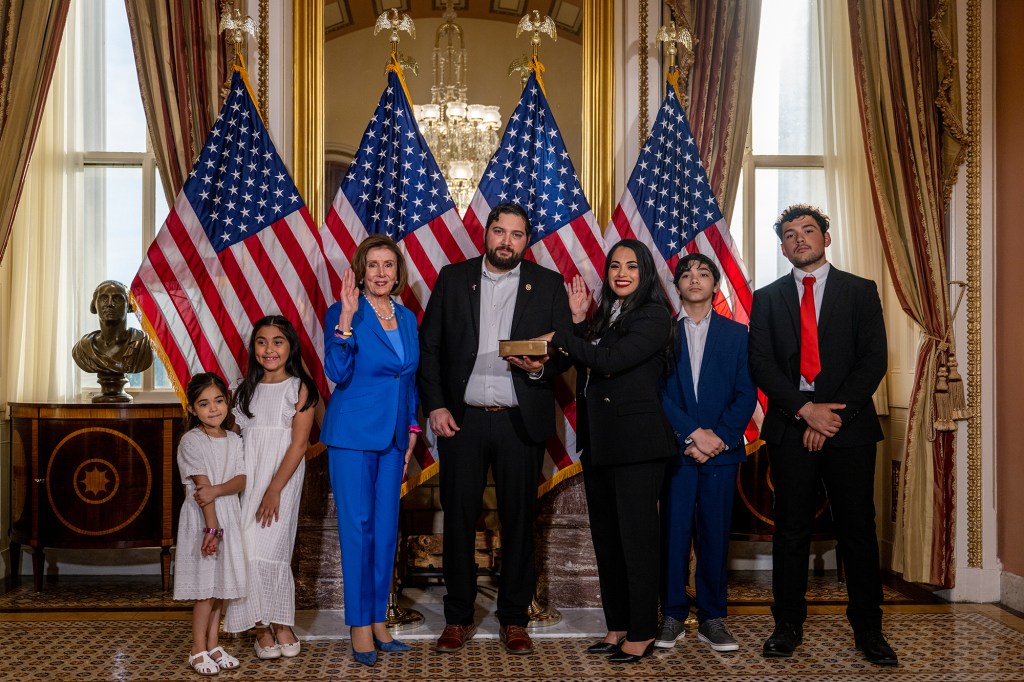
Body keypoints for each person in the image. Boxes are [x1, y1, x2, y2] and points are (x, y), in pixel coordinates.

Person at [418, 202, 572, 655]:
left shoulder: (547, 284)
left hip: (519, 422)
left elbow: (563, 350)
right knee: (460, 521)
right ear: (486, 234)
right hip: (460, 422)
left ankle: (513, 619)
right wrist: (436, 406)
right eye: (499, 232)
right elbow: (430, 349)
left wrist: (540, 368)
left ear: (527, 240)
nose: (507, 241)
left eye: (517, 234)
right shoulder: (452, 278)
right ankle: (458, 617)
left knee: (519, 521)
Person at [748, 204, 895, 666]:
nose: (799, 239)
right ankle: (787, 625)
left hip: (849, 430)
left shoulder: (861, 291)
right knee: (790, 531)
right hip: (792, 428)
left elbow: (872, 360)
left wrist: (832, 418)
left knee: (858, 531)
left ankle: (869, 630)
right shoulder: (767, 298)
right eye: (790, 234)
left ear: (826, 238)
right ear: (783, 246)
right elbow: (762, 365)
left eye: (808, 231)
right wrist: (805, 412)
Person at [544, 239, 675, 664]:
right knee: (608, 541)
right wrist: (580, 323)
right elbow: (588, 354)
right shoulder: (605, 316)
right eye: (615, 265)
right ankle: (617, 625)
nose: (622, 273)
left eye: (631, 266)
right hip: (599, 444)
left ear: (645, 274)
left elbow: (611, 361)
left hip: (638, 446)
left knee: (636, 542)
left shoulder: (654, 315)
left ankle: (642, 631)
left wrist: (563, 334)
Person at [322, 235, 419, 667]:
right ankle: (359, 626)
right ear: (361, 271)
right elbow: (336, 372)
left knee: (384, 531)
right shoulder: (343, 312)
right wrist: (345, 317)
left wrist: (412, 427)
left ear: (398, 273)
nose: (381, 272)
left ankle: (380, 621)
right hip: (352, 436)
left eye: (389, 265)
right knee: (357, 531)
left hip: (395, 438)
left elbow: (408, 378)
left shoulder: (408, 318)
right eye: (374, 265)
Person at [656, 254, 757, 653]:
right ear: (676, 286)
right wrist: (691, 435)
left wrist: (720, 439)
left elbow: (746, 392)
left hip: (721, 454)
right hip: (678, 453)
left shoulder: (737, 335)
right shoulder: (663, 334)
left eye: (703, 274)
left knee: (714, 536)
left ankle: (713, 618)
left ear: (715, 285)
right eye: (686, 274)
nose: (694, 279)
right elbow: (659, 394)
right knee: (674, 534)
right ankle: (673, 615)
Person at [223, 315, 318, 660]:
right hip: (249, 479)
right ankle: (260, 627)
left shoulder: (299, 387)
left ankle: (281, 623)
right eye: (261, 342)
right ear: (254, 348)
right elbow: (237, 437)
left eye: (278, 341)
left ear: (290, 346)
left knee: (274, 550)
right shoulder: (244, 388)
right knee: (247, 550)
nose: (269, 349)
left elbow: (298, 444)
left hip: (282, 479)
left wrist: (275, 489)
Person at [173, 372, 247, 676]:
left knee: (220, 588)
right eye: (204, 404)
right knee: (205, 590)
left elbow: (241, 480)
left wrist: (218, 489)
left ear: (227, 401)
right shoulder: (191, 440)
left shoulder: (234, 439)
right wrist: (212, 530)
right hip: (205, 520)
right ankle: (197, 648)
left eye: (218, 401)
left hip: (229, 513)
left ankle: (214, 645)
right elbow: (202, 491)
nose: (213, 409)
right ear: (192, 409)